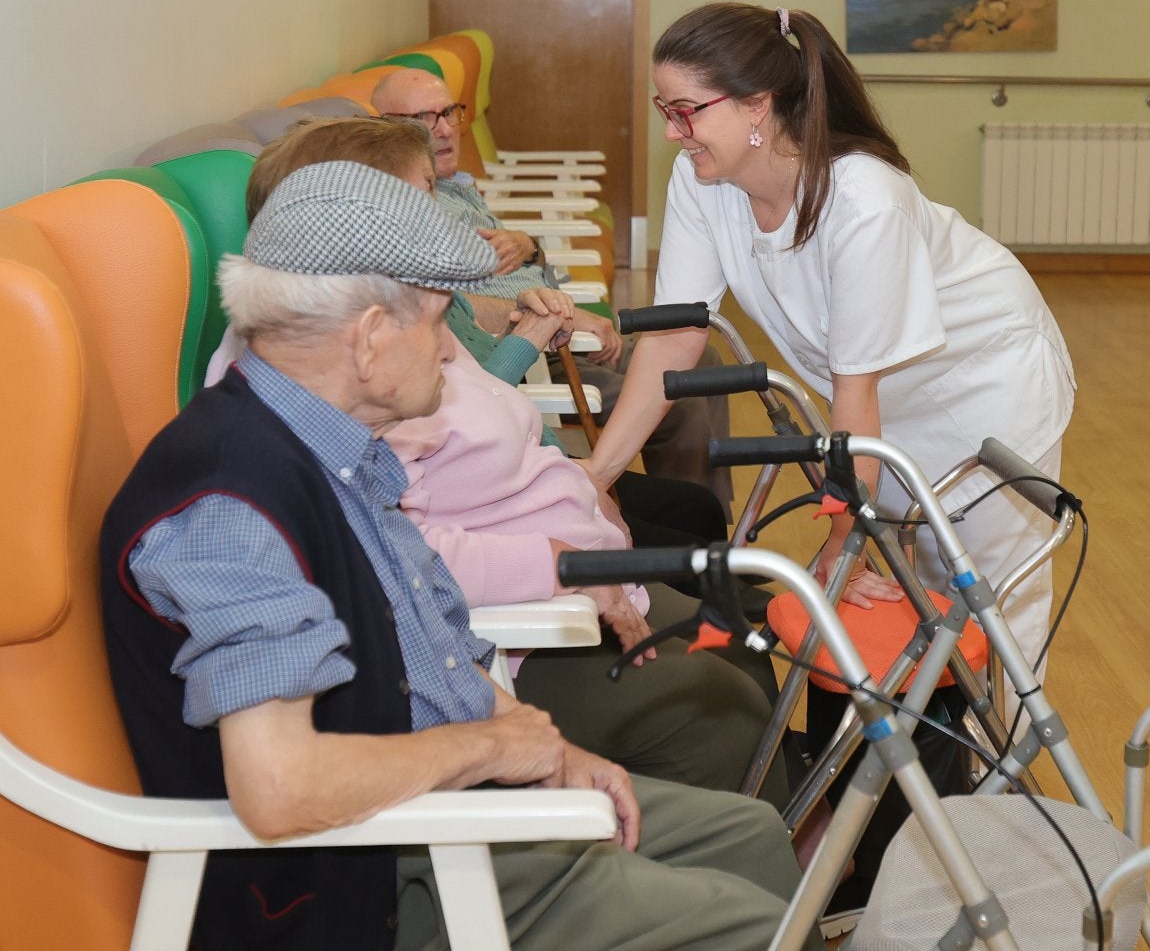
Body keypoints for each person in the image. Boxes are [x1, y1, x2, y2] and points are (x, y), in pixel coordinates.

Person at [100, 159, 821, 951]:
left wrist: (547, 746)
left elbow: (433, 645)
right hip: (369, 879)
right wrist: (493, 746)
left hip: (429, 812)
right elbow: (279, 789)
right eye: (438, 321)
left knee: (746, 835)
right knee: (756, 930)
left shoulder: (335, 450)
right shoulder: (232, 504)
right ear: (372, 337)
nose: (450, 349)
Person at [236, 114, 791, 808]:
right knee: (720, 702)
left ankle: (779, 845)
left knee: (748, 641)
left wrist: (583, 488)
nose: (437, 218)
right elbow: (392, 567)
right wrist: (556, 566)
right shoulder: (338, 373)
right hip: (509, 635)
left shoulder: (395, 321)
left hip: (546, 591)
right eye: (420, 201)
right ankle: (741, 864)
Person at [582, 2, 1076, 681]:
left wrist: (846, 547)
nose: (673, 132)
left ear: (758, 105)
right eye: (664, 108)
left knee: (989, 603)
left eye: (687, 111)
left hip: (984, 389)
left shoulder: (864, 200)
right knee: (916, 594)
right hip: (876, 409)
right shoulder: (706, 184)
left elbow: (856, 390)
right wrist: (596, 476)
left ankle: (1005, 771)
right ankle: (930, 774)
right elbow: (672, 337)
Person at [371, 68, 734, 513]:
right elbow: (459, 309)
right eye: (423, 119)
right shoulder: (408, 206)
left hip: (554, 325)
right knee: (678, 393)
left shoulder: (453, 186)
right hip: (536, 353)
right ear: (384, 128)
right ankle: (692, 522)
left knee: (705, 359)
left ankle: (712, 518)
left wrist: (531, 247)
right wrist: (569, 317)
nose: (445, 130)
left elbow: (506, 269)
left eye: (449, 112)